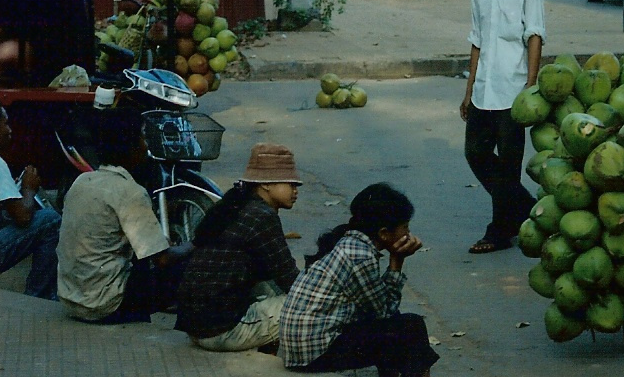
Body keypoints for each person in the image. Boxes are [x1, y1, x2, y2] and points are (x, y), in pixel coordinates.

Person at [280, 183, 439, 376]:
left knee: (396, 328)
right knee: (411, 326)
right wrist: (397, 262)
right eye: (405, 227)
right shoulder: (360, 256)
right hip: (316, 354)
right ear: (383, 233)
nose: (408, 234)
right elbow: (383, 313)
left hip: (305, 348)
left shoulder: (349, 242)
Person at [57, 106, 192, 323]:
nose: (146, 145)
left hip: (71, 298)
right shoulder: (129, 192)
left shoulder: (82, 181)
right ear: (130, 146)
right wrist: (192, 246)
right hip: (105, 304)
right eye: (143, 138)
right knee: (189, 266)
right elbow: (163, 259)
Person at [460, 0, 545, 254]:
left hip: (513, 93)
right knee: (476, 154)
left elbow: (534, 36)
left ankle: (499, 230)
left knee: (508, 165)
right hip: (483, 90)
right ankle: (524, 208)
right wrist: (468, 91)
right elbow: (476, 42)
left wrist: (531, 87)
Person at [175, 143, 303, 353]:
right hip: (220, 333)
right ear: (267, 185)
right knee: (308, 305)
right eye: (290, 184)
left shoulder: (235, 204)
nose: (295, 191)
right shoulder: (262, 216)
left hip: (196, 328)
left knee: (269, 285)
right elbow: (290, 279)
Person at [0, 95, 61, 300]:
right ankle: (37, 297)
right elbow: (23, 217)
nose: (9, 130)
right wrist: (28, 188)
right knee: (50, 220)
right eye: (5, 124)